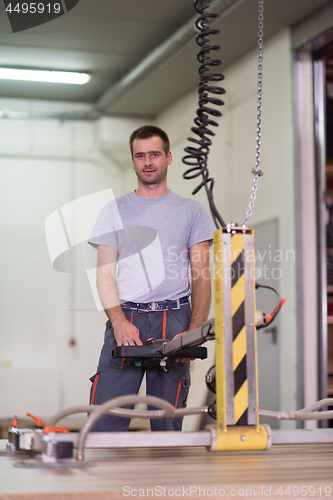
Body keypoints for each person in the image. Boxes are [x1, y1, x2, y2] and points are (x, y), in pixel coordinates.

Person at [88, 125, 215, 431]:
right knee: (106, 420)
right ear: (132, 161)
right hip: (127, 317)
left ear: (168, 157)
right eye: (140, 155)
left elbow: (201, 276)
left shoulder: (192, 211)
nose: (147, 161)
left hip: (175, 319)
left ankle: (168, 481)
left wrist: (194, 330)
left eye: (154, 154)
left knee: (167, 423)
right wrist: (118, 321)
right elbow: (104, 275)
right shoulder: (113, 210)